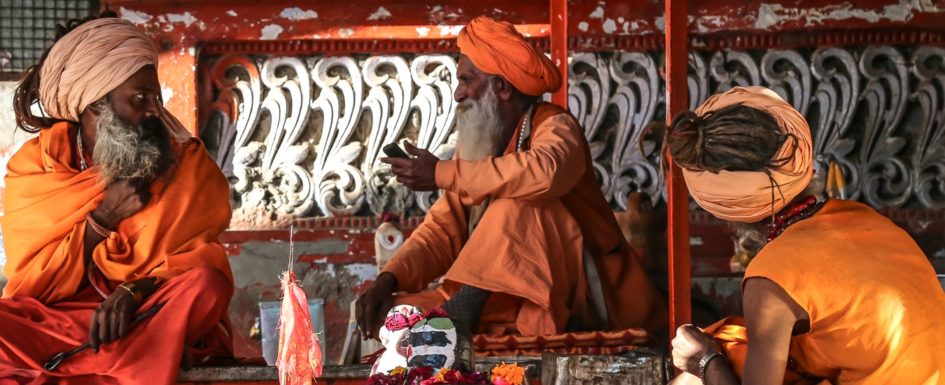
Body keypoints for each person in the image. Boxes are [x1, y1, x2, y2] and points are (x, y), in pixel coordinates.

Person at [356, 16, 666, 341]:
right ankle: (460, 315)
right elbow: (443, 229)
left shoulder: (556, 126)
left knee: (523, 200)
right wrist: (388, 279)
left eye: (465, 80)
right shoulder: (477, 145)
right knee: (390, 318)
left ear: (501, 87)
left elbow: (546, 173)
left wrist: (439, 173)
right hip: (498, 300)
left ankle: (462, 313)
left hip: (586, 300)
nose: (458, 93)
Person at [0, 16, 234, 384]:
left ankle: (90, 368)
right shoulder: (37, 166)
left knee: (208, 285)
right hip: (62, 325)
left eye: (156, 97)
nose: (154, 110)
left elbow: (196, 268)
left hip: (147, 313)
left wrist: (133, 290)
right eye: (140, 98)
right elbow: (32, 287)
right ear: (96, 105)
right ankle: (130, 365)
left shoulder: (185, 163)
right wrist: (103, 219)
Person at [667, 86, 945, 385]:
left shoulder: (771, 278)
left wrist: (704, 360)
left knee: (709, 362)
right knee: (734, 338)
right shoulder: (863, 217)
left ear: (724, 207)